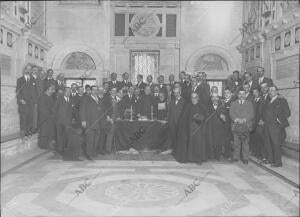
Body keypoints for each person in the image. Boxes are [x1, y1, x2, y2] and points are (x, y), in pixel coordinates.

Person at [175, 93, 206, 163]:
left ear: (198, 98)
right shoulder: (188, 106)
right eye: (192, 98)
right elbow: (184, 118)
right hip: (189, 128)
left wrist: (199, 117)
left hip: (198, 129)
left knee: (198, 144)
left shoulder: (201, 106)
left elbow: (205, 117)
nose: (193, 99)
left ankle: (198, 159)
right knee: (190, 143)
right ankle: (190, 158)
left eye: (195, 98)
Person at [264, 86, 291, 167]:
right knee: (268, 143)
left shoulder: (281, 100)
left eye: (272, 90)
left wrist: (278, 120)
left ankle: (278, 162)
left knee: (276, 144)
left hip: (276, 126)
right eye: (269, 90)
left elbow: (287, 113)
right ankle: (271, 159)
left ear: (276, 91)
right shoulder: (269, 100)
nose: (270, 92)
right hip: (268, 125)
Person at [229, 89, 254, 164]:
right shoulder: (233, 103)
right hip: (236, 125)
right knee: (236, 143)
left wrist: (244, 119)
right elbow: (231, 113)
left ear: (245, 95)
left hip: (246, 125)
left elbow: (251, 114)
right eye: (240, 94)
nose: (241, 95)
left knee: (245, 143)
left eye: (243, 94)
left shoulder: (249, 103)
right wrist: (236, 119)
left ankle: (245, 158)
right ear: (238, 95)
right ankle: (236, 157)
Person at [81, 86, 105, 159]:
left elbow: (101, 111)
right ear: (90, 91)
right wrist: (83, 120)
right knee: (90, 140)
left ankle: (93, 153)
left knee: (96, 139)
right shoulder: (86, 98)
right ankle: (89, 155)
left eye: (96, 90)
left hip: (98, 123)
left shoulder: (98, 99)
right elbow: (82, 110)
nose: (95, 91)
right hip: (89, 122)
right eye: (93, 90)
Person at [16, 65, 38, 139]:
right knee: (23, 119)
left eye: (29, 69)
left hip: (31, 104)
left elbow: (35, 92)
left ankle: (28, 133)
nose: (28, 70)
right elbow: (17, 91)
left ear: (31, 71)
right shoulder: (20, 80)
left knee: (30, 119)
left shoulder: (33, 80)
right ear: (24, 70)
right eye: (27, 69)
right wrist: (20, 99)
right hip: (23, 103)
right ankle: (23, 134)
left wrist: (35, 101)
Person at [206, 94, 228, 160]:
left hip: (219, 128)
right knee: (211, 141)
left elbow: (226, 118)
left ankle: (218, 155)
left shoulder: (222, 106)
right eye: (213, 97)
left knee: (218, 142)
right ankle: (211, 156)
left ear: (218, 99)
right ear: (211, 99)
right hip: (210, 127)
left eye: (216, 97)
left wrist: (224, 117)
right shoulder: (208, 107)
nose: (215, 99)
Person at [52, 87, 73, 154]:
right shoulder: (59, 99)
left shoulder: (71, 100)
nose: (68, 93)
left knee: (66, 136)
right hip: (59, 121)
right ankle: (59, 150)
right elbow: (54, 109)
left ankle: (65, 149)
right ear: (64, 92)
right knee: (59, 136)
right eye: (67, 91)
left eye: (69, 92)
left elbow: (72, 111)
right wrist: (58, 117)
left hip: (68, 122)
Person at [165, 87, 185, 155]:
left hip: (180, 124)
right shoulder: (172, 101)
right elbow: (169, 113)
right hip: (172, 123)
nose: (176, 94)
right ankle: (174, 150)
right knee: (173, 137)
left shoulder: (184, 101)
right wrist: (169, 122)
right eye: (175, 93)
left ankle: (179, 151)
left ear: (180, 92)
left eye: (177, 92)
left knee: (179, 138)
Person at [37, 83, 56, 150]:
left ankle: (49, 144)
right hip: (44, 119)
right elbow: (42, 109)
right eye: (52, 89)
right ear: (47, 90)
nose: (53, 91)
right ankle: (43, 145)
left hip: (50, 118)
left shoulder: (50, 97)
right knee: (44, 132)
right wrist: (50, 115)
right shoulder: (42, 97)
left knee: (50, 131)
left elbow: (53, 107)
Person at [105, 88, 121, 153]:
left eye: (115, 91)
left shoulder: (116, 99)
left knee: (113, 134)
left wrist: (118, 117)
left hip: (114, 119)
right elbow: (105, 109)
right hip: (110, 119)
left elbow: (116, 110)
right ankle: (108, 150)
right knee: (110, 134)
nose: (114, 92)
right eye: (113, 91)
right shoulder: (107, 99)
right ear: (110, 92)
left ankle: (111, 148)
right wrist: (109, 118)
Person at [222, 89, 237, 160]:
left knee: (231, 140)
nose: (226, 94)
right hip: (223, 124)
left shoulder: (233, 102)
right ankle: (226, 154)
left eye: (228, 93)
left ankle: (231, 156)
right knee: (225, 139)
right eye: (225, 93)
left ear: (231, 94)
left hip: (230, 124)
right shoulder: (222, 102)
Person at [250, 88, 264, 160]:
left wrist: (262, 119)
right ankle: (255, 153)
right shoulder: (252, 101)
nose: (255, 93)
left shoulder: (263, 100)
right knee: (254, 138)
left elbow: (264, 111)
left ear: (259, 92)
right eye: (253, 92)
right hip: (253, 122)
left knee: (260, 139)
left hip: (260, 123)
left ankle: (261, 155)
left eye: (256, 92)